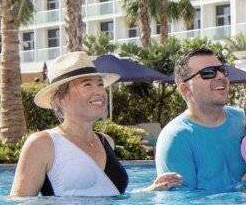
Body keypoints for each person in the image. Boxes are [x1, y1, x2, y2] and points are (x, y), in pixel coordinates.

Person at [10, 51, 181, 197]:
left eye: (100, 84)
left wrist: (150, 190)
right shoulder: (42, 144)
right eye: (87, 85)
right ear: (60, 98)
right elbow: (20, 201)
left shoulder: (107, 141)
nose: (99, 91)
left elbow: (110, 196)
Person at [155, 47, 246, 192]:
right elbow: (185, 201)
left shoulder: (245, 120)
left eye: (222, 70)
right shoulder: (176, 138)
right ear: (186, 89)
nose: (221, 77)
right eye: (208, 73)